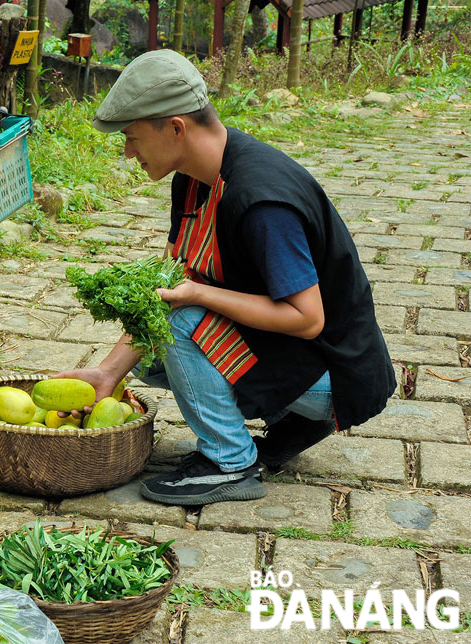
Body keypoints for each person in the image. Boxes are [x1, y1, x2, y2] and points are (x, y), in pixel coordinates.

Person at [56, 50, 395, 506]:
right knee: (152, 347)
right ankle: (292, 417)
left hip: (335, 372)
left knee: (178, 325)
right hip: (288, 351)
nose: (128, 151)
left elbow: (308, 318)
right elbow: (168, 279)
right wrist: (107, 373)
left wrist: (199, 293)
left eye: (133, 138)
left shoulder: (261, 202)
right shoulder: (194, 175)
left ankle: (230, 463)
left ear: (176, 127)